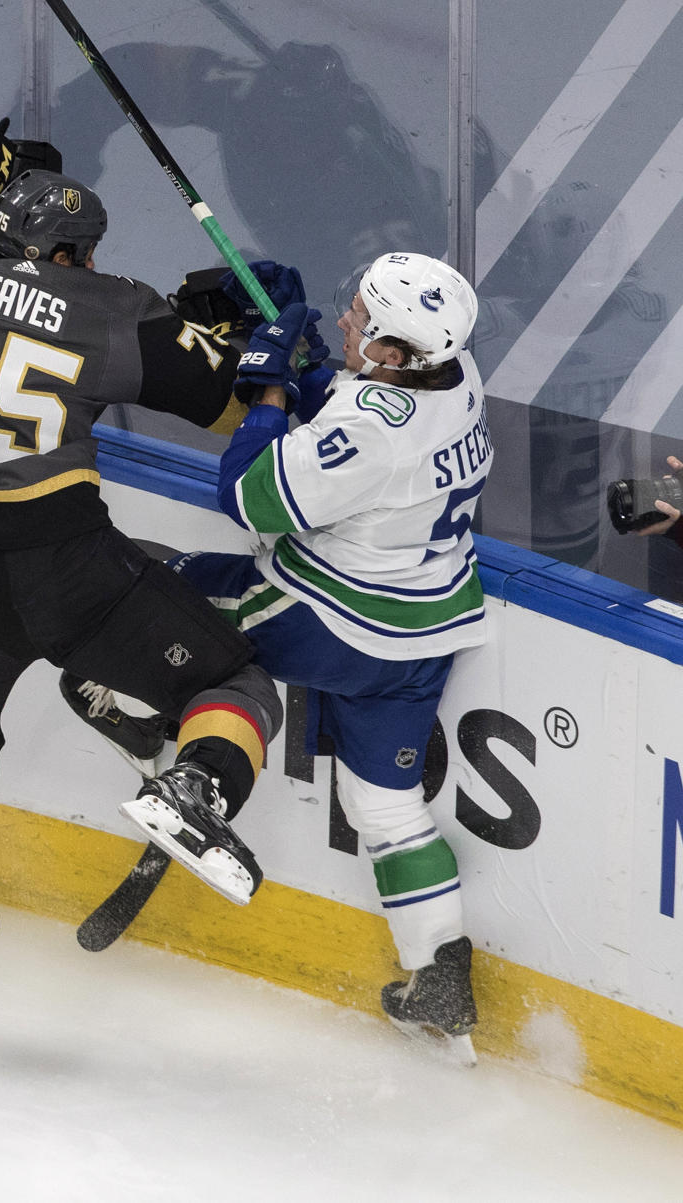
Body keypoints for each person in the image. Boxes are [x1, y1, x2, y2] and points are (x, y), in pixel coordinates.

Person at [0, 120, 292, 1058]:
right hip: (69, 569)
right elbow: (237, 404)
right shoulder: (117, 311)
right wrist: (240, 340)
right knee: (240, 689)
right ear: (79, 251)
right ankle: (196, 784)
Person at [68, 252, 490, 1062]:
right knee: (388, 810)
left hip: (328, 617)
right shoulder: (457, 374)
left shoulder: (373, 430)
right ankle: (437, 976)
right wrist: (310, 382)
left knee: (149, 601)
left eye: (360, 321)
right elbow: (359, 408)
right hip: (427, 628)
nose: (344, 323)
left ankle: (155, 729)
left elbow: (249, 497)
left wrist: (267, 392)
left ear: (397, 354)